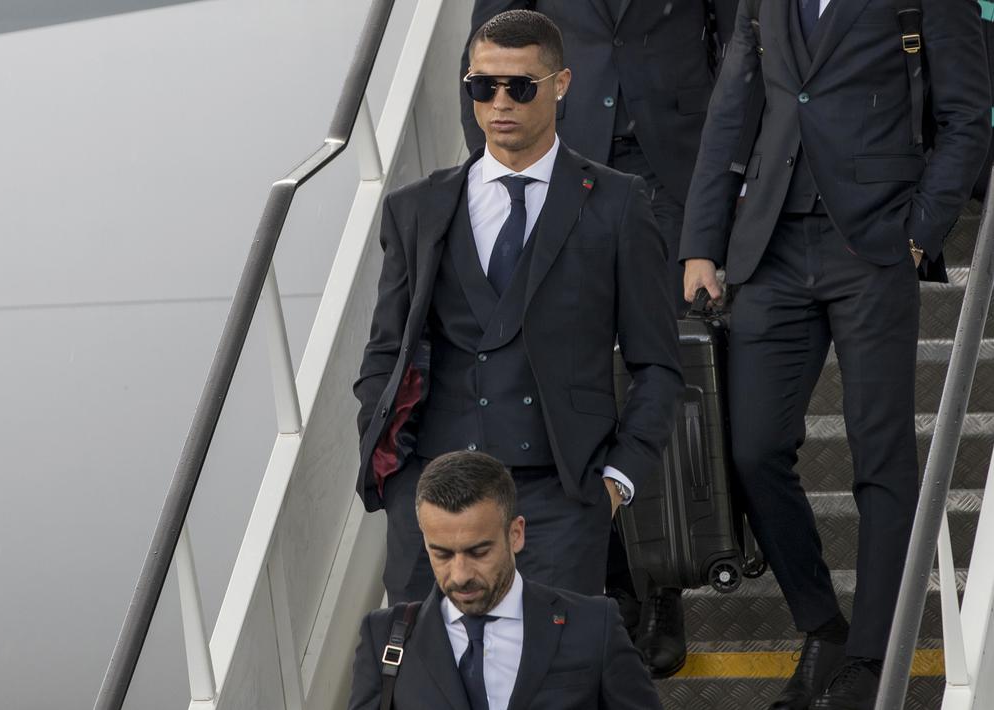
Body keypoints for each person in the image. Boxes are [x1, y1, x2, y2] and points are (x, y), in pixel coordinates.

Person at [680, 1, 991, 708]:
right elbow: (731, 104)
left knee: (880, 456)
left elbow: (969, 116)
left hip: (874, 244)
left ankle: (869, 661)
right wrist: (701, 240)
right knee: (752, 448)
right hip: (770, 245)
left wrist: (921, 228)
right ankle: (821, 626)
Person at [353, 10, 681, 606]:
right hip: (434, 499)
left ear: (561, 84)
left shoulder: (618, 204)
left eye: (520, 86)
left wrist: (616, 483)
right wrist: (400, 485)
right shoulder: (416, 209)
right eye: (483, 86)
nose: (499, 102)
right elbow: (385, 351)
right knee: (427, 687)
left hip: (561, 497)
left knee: (550, 686)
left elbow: (657, 364)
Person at [459, 0, 740, 678]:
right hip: (563, 162)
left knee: (665, 371)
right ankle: (614, 584)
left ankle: (662, 582)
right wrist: (498, 184)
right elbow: (480, 54)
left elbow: (736, 36)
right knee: (571, 384)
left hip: (678, 169)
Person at [346, 451, 662, 710]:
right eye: (441, 554)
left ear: (516, 534)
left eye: (479, 552)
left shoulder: (595, 625)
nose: (460, 575)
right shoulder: (382, 637)